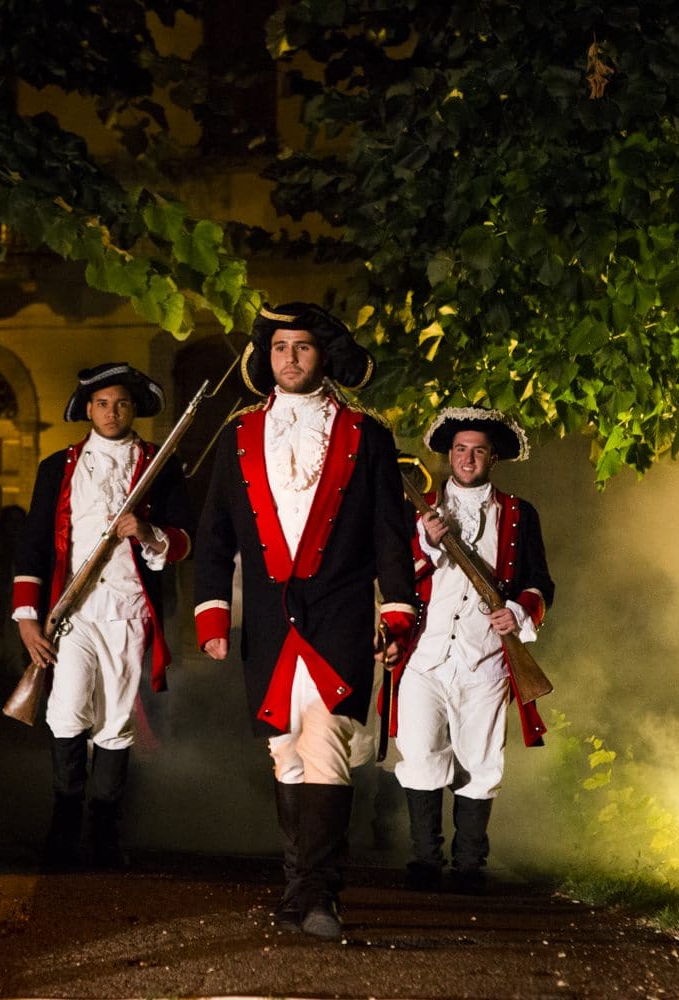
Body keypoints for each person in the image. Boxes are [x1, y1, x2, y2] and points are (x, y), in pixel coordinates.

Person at [194, 302, 416, 939]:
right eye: (279, 348)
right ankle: (299, 891)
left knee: (325, 741)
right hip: (268, 618)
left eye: (303, 347)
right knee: (286, 749)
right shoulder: (237, 434)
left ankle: (321, 894)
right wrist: (213, 614)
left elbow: (389, 534)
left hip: (342, 610)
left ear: (324, 357)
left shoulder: (367, 434)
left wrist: (397, 612)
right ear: (266, 357)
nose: (289, 359)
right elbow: (214, 536)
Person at [12, 363, 192, 868]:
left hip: (128, 611)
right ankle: (63, 828)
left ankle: (106, 835)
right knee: (67, 711)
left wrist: (147, 532)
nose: (112, 412)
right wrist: (27, 617)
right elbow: (33, 544)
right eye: (103, 404)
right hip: (71, 613)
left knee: (115, 720)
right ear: (88, 409)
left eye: (122, 404)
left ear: (134, 410)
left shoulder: (160, 465)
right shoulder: (57, 467)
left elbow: (183, 540)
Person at [389, 406, 554, 894]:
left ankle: (468, 866)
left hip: (484, 660)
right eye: (460, 449)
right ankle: (425, 859)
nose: (467, 458)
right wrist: (427, 542)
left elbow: (539, 582)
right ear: (449, 455)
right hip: (425, 656)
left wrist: (518, 612)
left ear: (493, 457)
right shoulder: (419, 512)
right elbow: (394, 573)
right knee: (419, 751)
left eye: (478, 450)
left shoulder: (521, 514)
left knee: (480, 761)